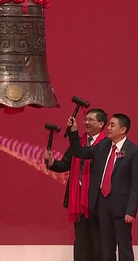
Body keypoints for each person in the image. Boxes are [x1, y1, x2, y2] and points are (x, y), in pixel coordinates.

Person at [67, 113, 138, 261]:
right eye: (108, 124)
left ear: (123, 130)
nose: (108, 128)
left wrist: (131, 210)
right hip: (101, 204)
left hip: (121, 208)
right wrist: (73, 132)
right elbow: (80, 152)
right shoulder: (104, 145)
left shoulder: (134, 151)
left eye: (112, 125)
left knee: (124, 247)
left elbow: (136, 184)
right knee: (106, 247)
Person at [44, 109, 107, 261]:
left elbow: (83, 154)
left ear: (101, 124)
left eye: (91, 120)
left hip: (98, 200)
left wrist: (72, 133)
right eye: (85, 119)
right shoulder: (78, 143)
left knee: (99, 243)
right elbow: (65, 164)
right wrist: (51, 162)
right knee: (82, 243)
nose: (86, 122)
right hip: (78, 199)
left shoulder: (106, 144)